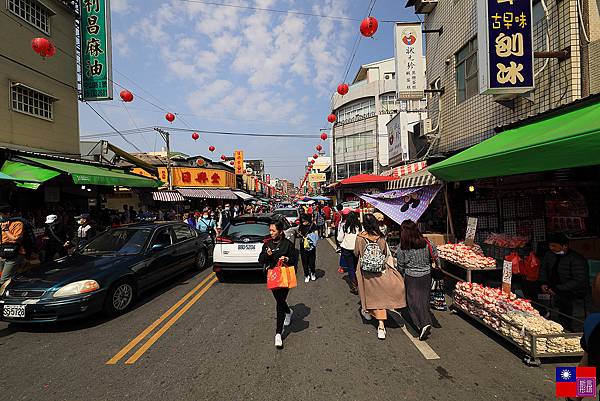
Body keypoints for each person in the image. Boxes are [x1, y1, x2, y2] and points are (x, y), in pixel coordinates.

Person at [355, 213, 406, 340]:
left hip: (364, 270)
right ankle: (380, 323)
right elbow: (384, 253)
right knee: (379, 295)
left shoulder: (360, 237)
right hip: (379, 269)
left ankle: (377, 321)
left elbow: (356, 252)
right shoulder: (381, 238)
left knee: (369, 294)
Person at [396, 220, 438, 340]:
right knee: (424, 299)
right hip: (426, 275)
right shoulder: (426, 242)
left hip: (411, 276)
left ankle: (423, 323)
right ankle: (426, 320)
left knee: (413, 301)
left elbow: (400, 264)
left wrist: (401, 274)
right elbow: (435, 255)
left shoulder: (403, 246)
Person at [258, 220, 298, 349]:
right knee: (280, 301)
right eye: (270, 230)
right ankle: (288, 311)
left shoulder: (287, 244)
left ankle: (278, 334)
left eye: (273, 231)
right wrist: (267, 255)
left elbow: (294, 259)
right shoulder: (267, 244)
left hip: (285, 277)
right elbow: (261, 260)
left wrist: (287, 259)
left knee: (280, 302)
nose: (271, 233)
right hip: (273, 276)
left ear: (280, 231)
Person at [539, 233, 588, 331]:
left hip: (572, 289)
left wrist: (558, 289)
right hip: (552, 285)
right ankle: (544, 317)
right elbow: (543, 269)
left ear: (564, 246)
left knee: (565, 301)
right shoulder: (549, 255)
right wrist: (543, 282)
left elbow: (579, 280)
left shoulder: (576, 259)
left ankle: (566, 327)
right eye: (550, 245)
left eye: (554, 246)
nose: (551, 248)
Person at [338, 210, 361, 294]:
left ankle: (354, 286)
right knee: (357, 267)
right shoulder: (360, 227)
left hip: (347, 249)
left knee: (351, 268)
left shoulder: (344, 226)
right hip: (357, 249)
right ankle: (361, 284)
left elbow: (339, 239)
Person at [0, 207, 25, 285]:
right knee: (6, 276)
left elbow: (15, 239)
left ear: (8, 214)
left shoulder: (18, 223)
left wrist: (6, 230)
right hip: (2, 253)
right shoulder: (1, 223)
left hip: (14, 253)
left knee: (3, 280)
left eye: (1, 214)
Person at [298, 214, 319, 283]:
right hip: (303, 246)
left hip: (311, 246)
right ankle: (306, 275)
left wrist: (310, 238)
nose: (303, 222)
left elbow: (316, 235)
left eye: (304, 221)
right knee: (304, 262)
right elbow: (299, 233)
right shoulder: (301, 226)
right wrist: (302, 235)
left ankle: (313, 273)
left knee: (312, 261)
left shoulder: (313, 226)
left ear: (308, 220)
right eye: (302, 221)